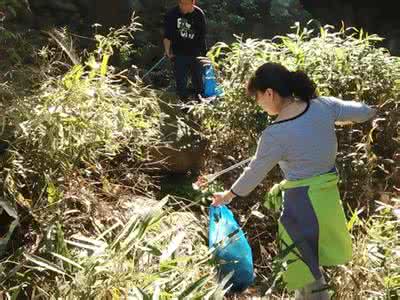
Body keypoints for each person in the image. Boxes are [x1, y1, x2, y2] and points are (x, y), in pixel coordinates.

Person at [199, 62, 376, 298]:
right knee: (313, 268)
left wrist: (226, 196)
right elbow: (365, 111)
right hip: (328, 200)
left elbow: (254, 172)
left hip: (301, 205)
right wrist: (339, 119)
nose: (259, 104)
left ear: (269, 93)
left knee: (306, 270)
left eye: (257, 98)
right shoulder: (323, 106)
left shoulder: (275, 134)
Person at [163, 0, 207, 102]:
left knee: (198, 82)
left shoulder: (199, 14)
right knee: (181, 82)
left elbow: (202, 37)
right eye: (181, 3)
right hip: (179, 53)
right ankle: (182, 105)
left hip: (196, 53)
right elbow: (167, 35)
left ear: (193, 3)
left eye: (186, 4)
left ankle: (200, 103)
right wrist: (167, 50)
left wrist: (204, 55)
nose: (183, 6)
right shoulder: (172, 14)